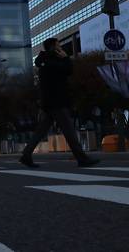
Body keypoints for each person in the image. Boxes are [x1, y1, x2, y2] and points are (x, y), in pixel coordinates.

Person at [20, 38, 99, 168]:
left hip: (49, 102)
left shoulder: (44, 61)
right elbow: (68, 71)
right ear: (53, 47)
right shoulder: (51, 61)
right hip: (57, 101)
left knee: (41, 131)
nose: (60, 47)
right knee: (69, 130)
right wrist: (66, 58)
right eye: (58, 45)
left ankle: (26, 155)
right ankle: (81, 158)